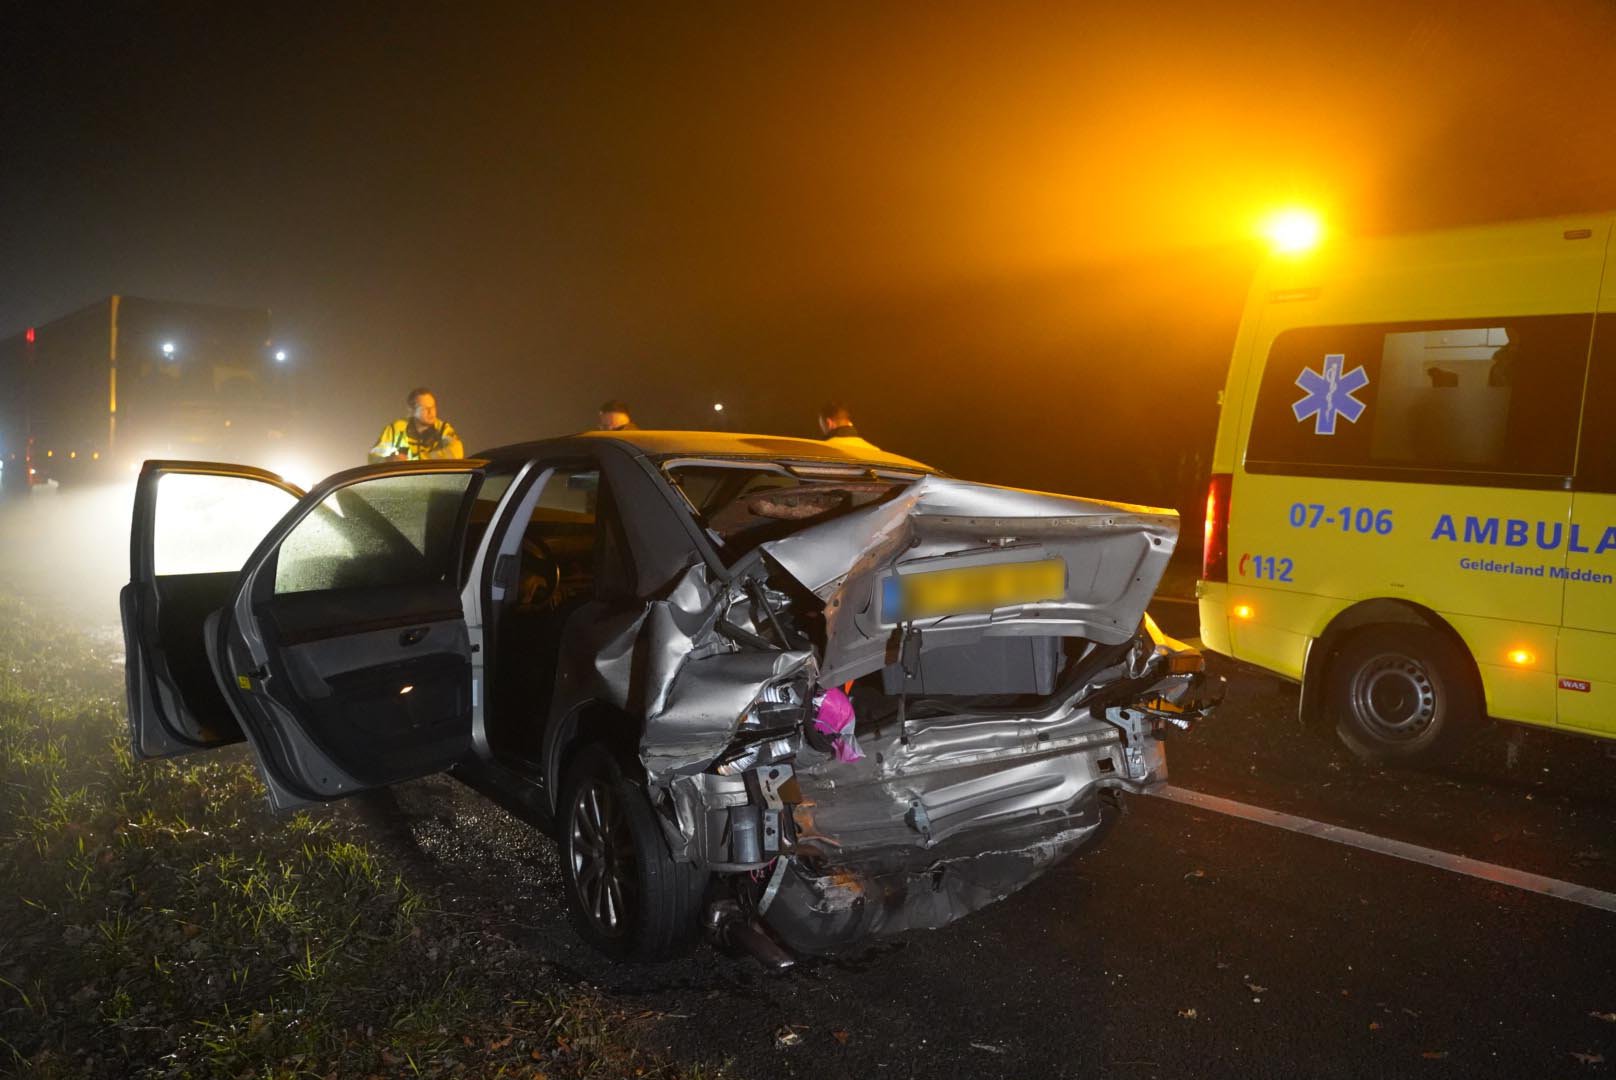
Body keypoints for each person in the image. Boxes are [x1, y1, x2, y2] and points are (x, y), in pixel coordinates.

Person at [369, 387, 465, 462]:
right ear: (411, 411)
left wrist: (419, 461)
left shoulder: (443, 429)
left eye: (433, 407)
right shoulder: (395, 430)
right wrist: (388, 460)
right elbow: (373, 457)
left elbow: (457, 452)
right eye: (424, 408)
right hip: (405, 483)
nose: (431, 412)